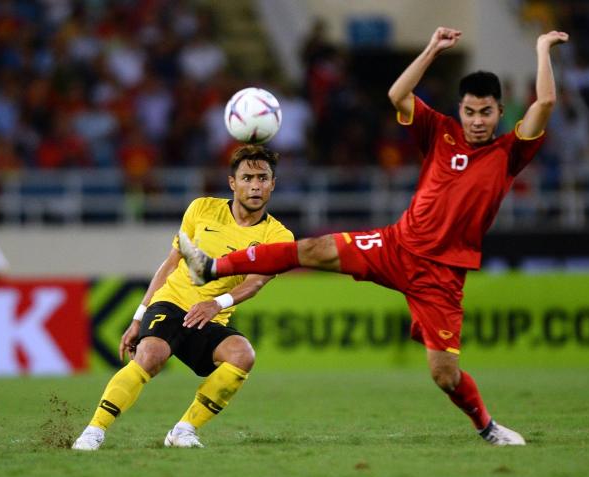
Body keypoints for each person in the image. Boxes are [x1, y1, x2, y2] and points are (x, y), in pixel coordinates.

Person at [179, 27, 569, 446]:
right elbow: (398, 95)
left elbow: (545, 102)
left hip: (441, 274)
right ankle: (212, 266)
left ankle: (486, 427)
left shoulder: (509, 152)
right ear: (461, 110)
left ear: (499, 112)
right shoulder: (442, 132)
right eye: (470, 112)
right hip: (395, 245)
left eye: (485, 113)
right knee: (311, 248)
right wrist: (432, 48)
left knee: (444, 373)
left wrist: (542, 48)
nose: (476, 121)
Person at [72, 145, 293, 450]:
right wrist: (138, 316)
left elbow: (256, 283)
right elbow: (171, 263)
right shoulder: (201, 208)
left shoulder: (279, 237)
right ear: (233, 182)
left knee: (243, 356)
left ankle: (183, 430)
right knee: (150, 356)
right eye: (247, 177)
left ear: (272, 184)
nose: (254, 185)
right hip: (172, 302)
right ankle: (94, 431)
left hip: (210, 315)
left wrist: (217, 304)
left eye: (262, 178)